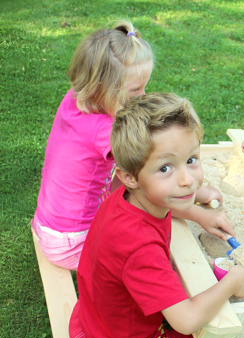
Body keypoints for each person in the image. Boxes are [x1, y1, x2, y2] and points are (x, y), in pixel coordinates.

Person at [69, 93, 244, 338]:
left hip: (98, 319)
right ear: (130, 176)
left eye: (191, 160)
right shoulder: (139, 245)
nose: (187, 180)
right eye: (165, 169)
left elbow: (162, 202)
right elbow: (184, 320)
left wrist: (198, 213)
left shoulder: (126, 196)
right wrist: (234, 282)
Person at [32, 21, 223, 270]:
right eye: (135, 90)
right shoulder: (105, 131)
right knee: (144, 192)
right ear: (102, 87)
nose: (143, 96)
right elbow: (150, 183)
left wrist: (197, 192)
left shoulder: (78, 97)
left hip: (52, 224)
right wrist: (198, 213)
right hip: (74, 242)